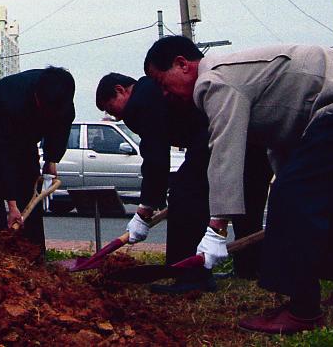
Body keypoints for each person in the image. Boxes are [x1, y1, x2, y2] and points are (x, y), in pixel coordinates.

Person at [144, 36, 333, 335]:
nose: (164, 93)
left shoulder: (214, 79)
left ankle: (302, 310)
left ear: (182, 64)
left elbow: (225, 149)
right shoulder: (238, 76)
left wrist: (217, 228)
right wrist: (289, 186)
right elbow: (282, 136)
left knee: (297, 196)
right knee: (318, 201)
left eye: (163, 83)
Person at [96, 72, 271, 294]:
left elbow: (155, 156)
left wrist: (145, 208)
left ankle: (190, 276)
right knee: (246, 204)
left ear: (121, 90)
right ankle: (250, 269)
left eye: (111, 108)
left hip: (219, 136)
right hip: (253, 141)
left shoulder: (142, 98)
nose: (116, 117)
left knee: (184, 196)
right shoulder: (154, 92)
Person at [0, 66, 75, 251]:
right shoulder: (8, 102)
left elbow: (61, 127)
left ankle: (35, 250)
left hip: (25, 136)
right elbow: (1, 157)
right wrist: (12, 205)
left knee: (30, 183)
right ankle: (0, 247)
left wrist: (52, 160)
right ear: (37, 96)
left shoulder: (63, 94)